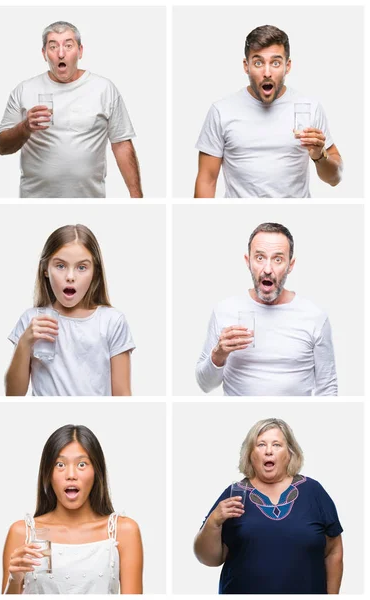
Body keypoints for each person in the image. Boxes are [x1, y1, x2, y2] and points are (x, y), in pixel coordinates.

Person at [194, 418, 343, 593]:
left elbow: (334, 551)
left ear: (290, 453)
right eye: (261, 445)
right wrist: (213, 522)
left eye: (277, 445)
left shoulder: (313, 491)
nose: (269, 451)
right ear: (250, 454)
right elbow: (209, 559)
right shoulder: (234, 493)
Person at [0, 21, 142, 198]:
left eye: (68, 45)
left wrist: (137, 198)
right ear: (44, 54)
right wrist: (25, 127)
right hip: (34, 201)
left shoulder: (104, 89)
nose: (61, 53)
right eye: (53, 46)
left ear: (80, 51)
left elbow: (121, 144)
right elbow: (2, 147)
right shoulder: (25, 90)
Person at [194, 25, 343, 198]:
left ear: (287, 66)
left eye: (275, 63)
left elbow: (335, 179)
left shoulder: (309, 107)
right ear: (246, 66)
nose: (267, 72)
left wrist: (319, 156)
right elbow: (207, 180)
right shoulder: (221, 111)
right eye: (258, 62)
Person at [195, 222, 337, 395]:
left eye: (278, 259)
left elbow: (327, 389)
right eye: (260, 258)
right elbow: (205, 385)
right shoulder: (225, 311)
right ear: (248, 261)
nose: (268, 269)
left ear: (290, 265)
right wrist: (218, 353)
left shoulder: (315, 317)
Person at [2, 424, 143, 594]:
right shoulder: (24, 532)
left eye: (82, 464)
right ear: (48, 473)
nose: (71, 475)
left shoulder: (123, 531)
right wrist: (14, 580)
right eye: (60, 465)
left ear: (96, 472)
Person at [6, 224, 135, 396]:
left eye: (82, 267)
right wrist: (24, 343)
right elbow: (13, 395)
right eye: (60, 266)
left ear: (95, 272)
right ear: (46, 269)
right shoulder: (32, 319)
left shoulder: (111, 321)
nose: (70, 276)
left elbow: (122, 396)